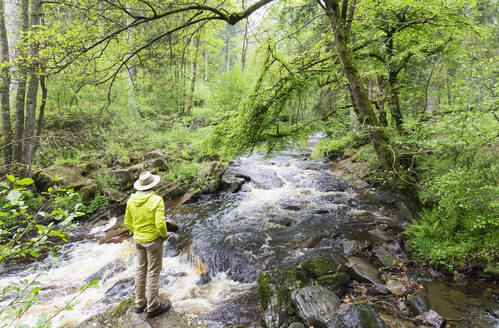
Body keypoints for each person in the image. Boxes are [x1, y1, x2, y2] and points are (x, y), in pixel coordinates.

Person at [124, 171, 171, 318]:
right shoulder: (156, 200)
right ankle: (153, 307)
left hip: (138, 239)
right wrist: (164, 235)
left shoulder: (131, 201)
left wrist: (137, 233)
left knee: (140, 270)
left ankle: (139, 303)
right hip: (153, 240)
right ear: (153, 185)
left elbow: (127, 222)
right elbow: (160, 224)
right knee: (153, 272)